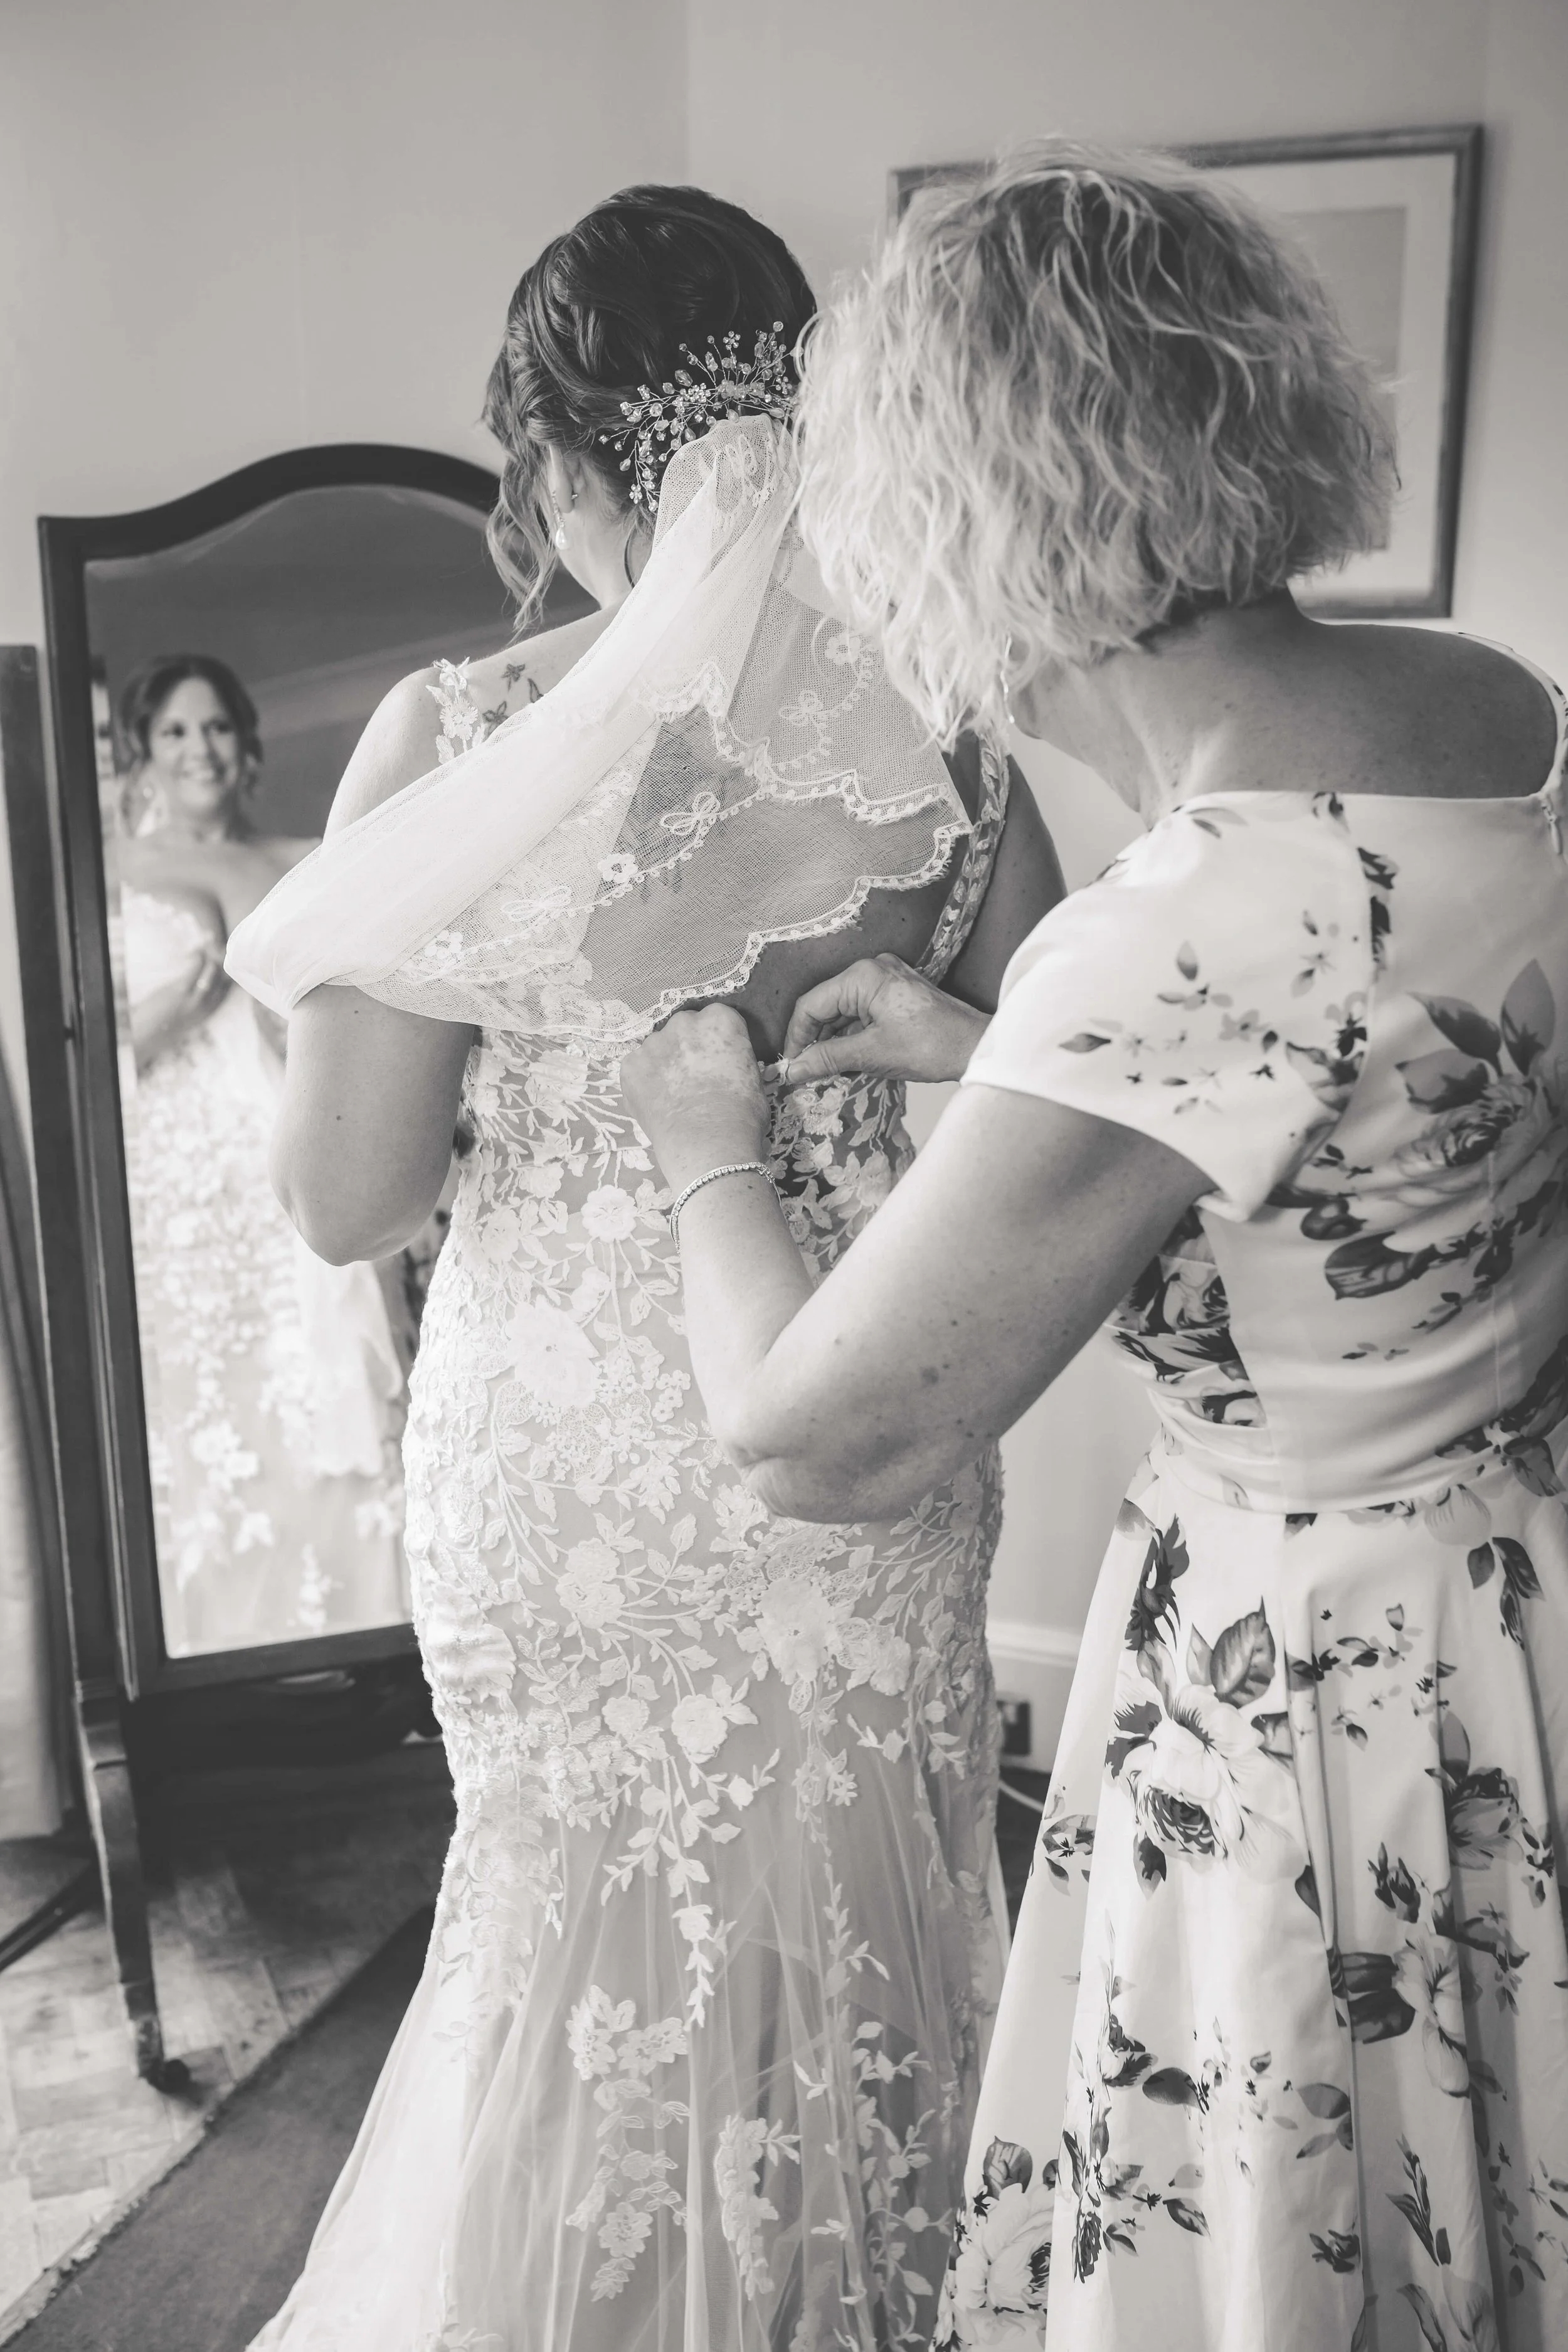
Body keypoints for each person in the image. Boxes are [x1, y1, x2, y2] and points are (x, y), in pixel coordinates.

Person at [619, 146, 1568, 2351]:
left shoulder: (1172, 924)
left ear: (974, 511)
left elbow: (813, 1439)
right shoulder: (1506, 722)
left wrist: (697, 1148)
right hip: (1508, 1615)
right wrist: (988, 1053)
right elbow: (1374, 1108)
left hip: (1303, 1707)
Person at [223, 184, 1064, 2350]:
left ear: (568, 464)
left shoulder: (463, 740)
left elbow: (349, 1198)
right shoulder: (951, 740)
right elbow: (1057, 1137)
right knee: (865, 1953)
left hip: (570, 1489)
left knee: (568, 1965)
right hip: (854, 1433)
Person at [113, 654, 408, 1654]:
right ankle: (216, 1653)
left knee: (319, 1384)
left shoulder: (303, 857)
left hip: (295, 1137)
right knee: (217, 1397)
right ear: (141, 757)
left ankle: (368, 1644)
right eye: (175, 733)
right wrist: (165, 1016)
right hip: (182, 1183)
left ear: (249, 748)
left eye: (218, 730)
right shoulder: (109, 873)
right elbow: (81, 1048)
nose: (200, 750)